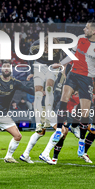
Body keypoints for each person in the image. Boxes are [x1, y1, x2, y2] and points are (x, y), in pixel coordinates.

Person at [51, 20, 95, 157]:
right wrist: (60, 64)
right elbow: (72, 54)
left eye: (86, 28)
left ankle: (82, 138)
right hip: (75, 74)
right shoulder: (82, 39)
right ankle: (60, 129)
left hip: (87, 78)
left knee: (87, 108)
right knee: (65, 99)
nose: (83, 29)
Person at [19, 36, 61, 164]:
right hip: (46, 110)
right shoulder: (36, 48)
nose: (47, 50)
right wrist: (32, 72)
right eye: (46, 48)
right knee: (61, 130)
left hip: (46, 107)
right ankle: (45, 154)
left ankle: (25, 154)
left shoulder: (56, 54)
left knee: (41, 132)